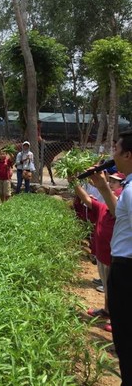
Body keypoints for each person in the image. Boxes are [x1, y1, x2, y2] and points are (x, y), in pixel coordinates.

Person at [89, 130, 132, 385]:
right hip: (123, 266)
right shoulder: (126, 187)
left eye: (115, 149)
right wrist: (104, 187)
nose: (112, 154)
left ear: (128, 154)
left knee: (126, 337)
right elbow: (120, 215)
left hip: (128, 270)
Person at [69, 172, 123, 332]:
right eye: (111, 181)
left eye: (115, 182)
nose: (112, 185)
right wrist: (74, 183)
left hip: (115, 257)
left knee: (116, 290)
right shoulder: (103, 206)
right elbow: (86, 198)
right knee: (107, 287)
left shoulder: (120, 212)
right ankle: (107, 311)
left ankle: (118, 319)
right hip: (102, 255)